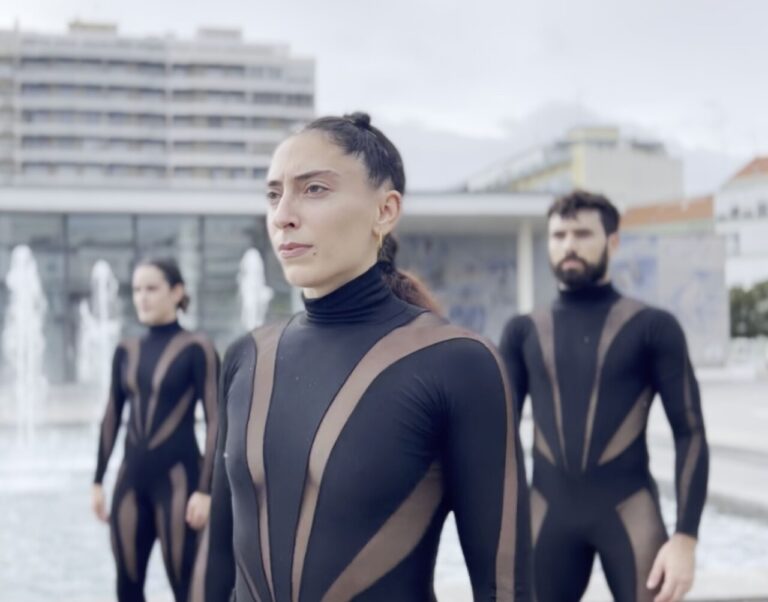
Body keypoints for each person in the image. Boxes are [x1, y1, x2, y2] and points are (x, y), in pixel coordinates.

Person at [204, 112, 531, 601]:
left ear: (385, 210)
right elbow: (218, 568)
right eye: (274, 194)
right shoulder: (246, 357)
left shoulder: (457, 362)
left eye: (314, 189)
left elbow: (504, 588)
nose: (283, 214)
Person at [501, 190, 709, 602]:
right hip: (546, 513)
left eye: (582, 233)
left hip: (630, 512)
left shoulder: (653, 327)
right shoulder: (523, 331)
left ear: (613, 242)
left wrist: (686, 538)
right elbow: (496, 434)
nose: (569, 245)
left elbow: (690, 431)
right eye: (559, 235)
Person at [91, 258, 220, 602]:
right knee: (127, 588)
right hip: (130, 484)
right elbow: (111, 416)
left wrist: (207, 490)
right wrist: (97, 480)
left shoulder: (197, 347)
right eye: (136, 290)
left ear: (177, 292)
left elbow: (216, 420)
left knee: (189, 590)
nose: (142, 297)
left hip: (180, 484)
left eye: (151, 288)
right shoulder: (125, 350)